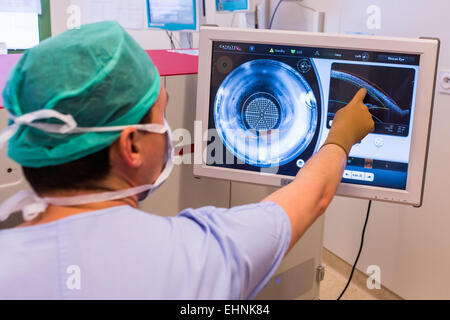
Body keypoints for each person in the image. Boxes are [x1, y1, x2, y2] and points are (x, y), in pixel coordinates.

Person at [0, 21, 374, 299]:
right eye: (159, 117)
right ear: (131, 146)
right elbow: (315, 193)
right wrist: (341, 136)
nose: (167, 131)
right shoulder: (199, 255)